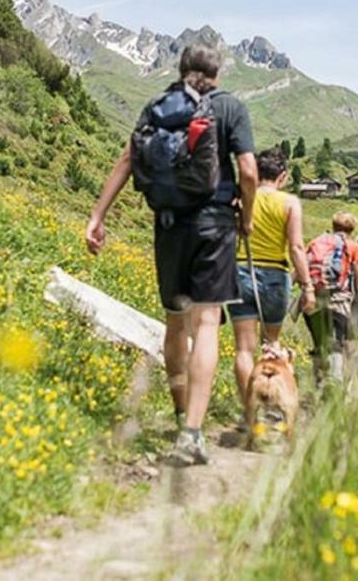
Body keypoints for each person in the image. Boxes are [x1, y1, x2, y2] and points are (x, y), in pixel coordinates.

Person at [85, 44, 257, 466]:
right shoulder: (230, 108)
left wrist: (97, 215)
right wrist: (246, 217)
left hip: (168, 226)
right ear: (218, 73)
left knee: (176, 323)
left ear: (181, 70)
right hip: (214, 225)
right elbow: (249, 172)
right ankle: (193, 434)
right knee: (207, 323)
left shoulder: (157, 106)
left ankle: (181, 414)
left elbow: (127, 158)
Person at [228, 148, 313, 419]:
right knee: (272, 344)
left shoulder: (243, 199)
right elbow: (297, 247)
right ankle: (273, 405)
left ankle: (250, 412)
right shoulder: (290, 203)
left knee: (244, 349)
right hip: (276, 277)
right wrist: (308, 287)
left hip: (242, 271)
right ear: (283, 176)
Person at [304, 213, 358, 383]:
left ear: (333, 226)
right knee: (337, 345)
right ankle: (334, 385)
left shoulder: (315, 243)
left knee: (319, 345)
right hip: (338, 303)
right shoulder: (353, 247)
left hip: (312, 301)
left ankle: (318, 384)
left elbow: (300, 270)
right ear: (352, 229)